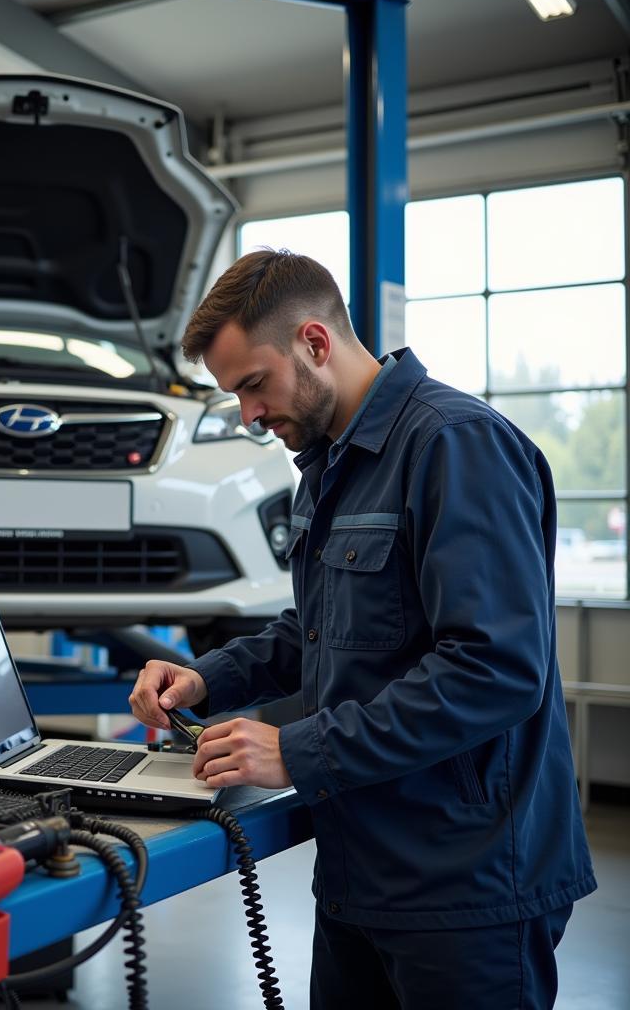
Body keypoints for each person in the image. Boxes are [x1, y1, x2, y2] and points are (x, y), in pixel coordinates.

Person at [128, 249, 596, 1009]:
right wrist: (211, 675)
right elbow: (320, 629)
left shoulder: (455, 445)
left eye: (253, 385)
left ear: (315, 342)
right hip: (361, 869)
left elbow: (497, 668)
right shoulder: (328, 464)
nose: (249, 415)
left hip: (467, 885)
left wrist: (296, 749)